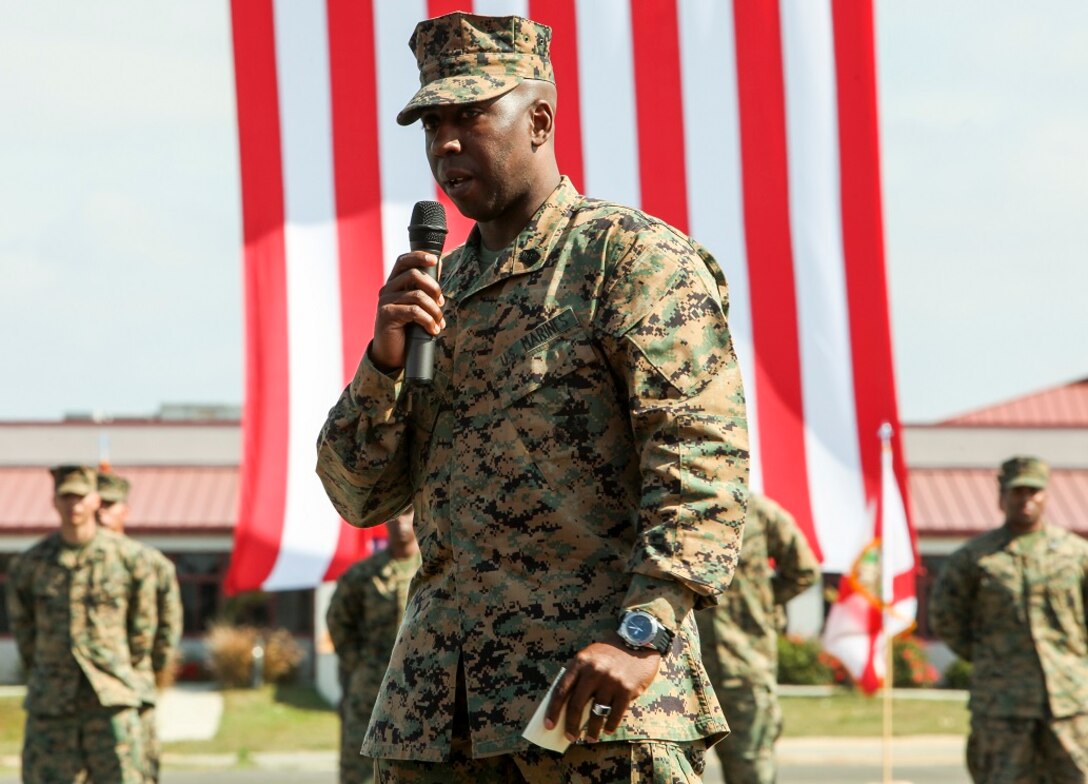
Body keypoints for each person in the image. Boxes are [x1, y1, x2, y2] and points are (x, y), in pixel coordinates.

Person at [315, 11, 749, 782]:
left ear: (539, 119)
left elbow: (701, 461)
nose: (446, 144)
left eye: (470, 117)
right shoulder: (436, 294)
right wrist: (382, 364)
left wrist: (643, 634)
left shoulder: (630, 259)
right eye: (432, 125)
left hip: (588, 704)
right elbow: (360, 494)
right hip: (435, 716)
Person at [930, 456, 1088, 782]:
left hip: (1070, 703)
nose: (1025, 500)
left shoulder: (1076, 554)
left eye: (1033, 491)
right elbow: (946, 616)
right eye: (1017, 492)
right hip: (1002, 706)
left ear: (1045, 496)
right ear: (1001, 497)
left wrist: (1076, 664)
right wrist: (991, 659)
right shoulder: (975, 557)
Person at [5, 465, 157, 784]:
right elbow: (24, 629)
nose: (74, 505)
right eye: (66, 497)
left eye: (81, 497)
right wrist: (48, 669)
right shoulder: (32, 564)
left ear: (95, 501)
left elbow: (144, 629)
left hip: (111, 697)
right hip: (52, 702)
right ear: (54, 502)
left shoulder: (129, 559)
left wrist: (129, 674)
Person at [695, 494, 820, 784]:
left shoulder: (759, 512)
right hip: (677, 668)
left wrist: (760, 604)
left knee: (750, 770)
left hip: (742, 665)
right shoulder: (669, 505)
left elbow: (804, 570)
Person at [97, 470, 184, 784]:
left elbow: (167, 630)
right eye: (97, 504)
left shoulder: (149, 563)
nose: (101, 512)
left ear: (126, 510)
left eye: (110, 504)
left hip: (134, 693)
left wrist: (147, 676)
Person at [327, 508, 421, 784]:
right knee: (360, 769)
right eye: (394, 517)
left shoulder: (433, 570)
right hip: (369, 688)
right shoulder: (363, 574)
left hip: (421, 688)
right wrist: (358, 664)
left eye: (407, 515)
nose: (400, 523)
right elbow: (338, 621)